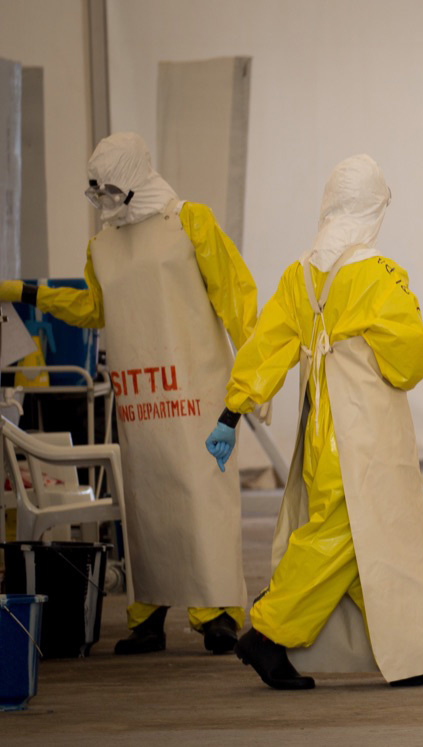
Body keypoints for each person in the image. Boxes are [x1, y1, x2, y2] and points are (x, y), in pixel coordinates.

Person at [205, 154, 423, 690]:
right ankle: (268, 632)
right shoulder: (380, 274)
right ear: (376, 206)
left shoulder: (300, 274)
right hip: (365, 431)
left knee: (374, 543)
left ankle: (418, 655)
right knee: (350, 532)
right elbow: (409, 362)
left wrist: (231, 412)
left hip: (319, 429)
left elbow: (266, 348)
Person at [0, 132, 256, 655]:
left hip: (196, 395)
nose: (104, 200)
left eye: (110, 189)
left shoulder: (189, 222)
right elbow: (96, 309)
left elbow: (237, 299)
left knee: (203, 498)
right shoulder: (103, 245)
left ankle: (216, 611)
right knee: (146, 505)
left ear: (135, 178)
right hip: (141, 401)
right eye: (96, 190)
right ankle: (149, 612)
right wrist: (29, 293)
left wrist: (256, 378)